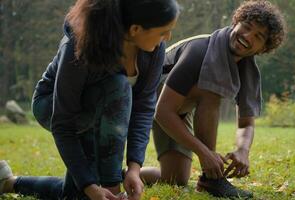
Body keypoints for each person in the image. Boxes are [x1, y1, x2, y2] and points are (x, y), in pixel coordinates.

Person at [0, 0, 179, 199]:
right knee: (119, 87)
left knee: (79, 194)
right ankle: (110, 183)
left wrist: (134, 168)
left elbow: (144, 107)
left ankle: (9, 182)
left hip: (104, 110)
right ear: (135, 29)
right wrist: (99, 185)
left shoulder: (154, 50)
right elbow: (63, 123)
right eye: (163, 31)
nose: (168, 37)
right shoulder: (80, 46)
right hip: (52, 106)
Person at [140, 0, 286, 199]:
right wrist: (205, 153)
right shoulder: (200, 49)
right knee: (210, 88)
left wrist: (243, 150)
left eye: (258, 36)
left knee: (176, 179)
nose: (247, 36)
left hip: (176, 111)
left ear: (263, 48)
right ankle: (212, 180)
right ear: (236, 22)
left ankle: (125, 175)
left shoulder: (248, 71)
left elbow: (246, 124)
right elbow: (163, 111)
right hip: (143, 102)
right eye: (247, 27)